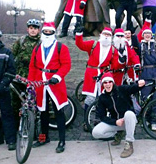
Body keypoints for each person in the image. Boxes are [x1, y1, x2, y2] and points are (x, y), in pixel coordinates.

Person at [28, 22, 71, 153]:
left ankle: (62, 140)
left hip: (55, 83)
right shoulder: (37, 48)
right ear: (42, 33)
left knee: (59, 112)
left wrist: (57, 77)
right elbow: (33, 66)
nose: (47, 34)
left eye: (49, 32)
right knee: (43, 113)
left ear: (53, 33)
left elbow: (66, 64)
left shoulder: (61, 47)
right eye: (45, 32)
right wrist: (31, 83)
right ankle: (43, 137)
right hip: (41, 83)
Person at [92, 72, 145, 158]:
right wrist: (115, 122)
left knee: (129, 114)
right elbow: (102, 116)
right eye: (105, 82)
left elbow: (132, 88)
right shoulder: (102, 98)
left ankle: (129, 143)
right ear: (102, 84)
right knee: (96, 132)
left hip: (129, 121)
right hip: (116, 123)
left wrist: (139, 84)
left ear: (113, 83)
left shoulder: (121, 89)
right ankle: (119, 133)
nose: (108, 84)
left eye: (110, 82)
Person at [75, 26, 116, 130]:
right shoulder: (93, 44)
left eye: (109, 35)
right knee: (90, 98)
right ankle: (86, 121)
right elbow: (80, 45)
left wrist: (121, 60)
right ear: (101, 35)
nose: (106, 37)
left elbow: (115, 64)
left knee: (103, 98)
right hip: (91, 73)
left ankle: (99, 119)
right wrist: (79, 35)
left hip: (104, 74)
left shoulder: (112, 49)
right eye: (105, 34)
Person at [133, 27, 156, 130]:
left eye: (149, 34)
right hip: (145, 74)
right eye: (145, 34)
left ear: (151, 35)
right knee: (145, 98)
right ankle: (146, 119)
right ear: (143, 36)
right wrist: (134, 35)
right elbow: (134, 51)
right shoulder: (140, 46)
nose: (147, 35)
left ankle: (154, 120)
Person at [11, 19, 41, 129]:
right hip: (19, 76)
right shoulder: (21, 41)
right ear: (28, 29)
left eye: (35, 28)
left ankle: (31, 128)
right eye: (31, 28)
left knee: (32, 103)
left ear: (39, 30)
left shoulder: (42, 42)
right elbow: (12, 55)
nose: (33, 31)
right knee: (15, 102)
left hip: (34, 77)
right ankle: (15, 128)